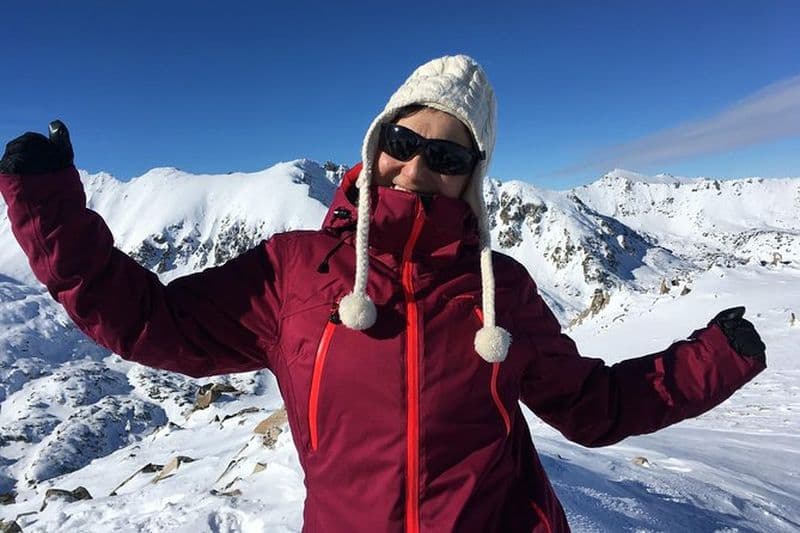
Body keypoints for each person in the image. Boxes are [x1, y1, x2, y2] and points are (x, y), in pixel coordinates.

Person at [0, 55, 766, 533]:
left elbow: (596, 406)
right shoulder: (295, 273)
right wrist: (50, 209)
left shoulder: (500, 293)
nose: (416, 167)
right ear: (375, 144)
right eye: (403, 141)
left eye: (445, 153)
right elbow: (149, 320)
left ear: (472, 175)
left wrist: (714, 358)